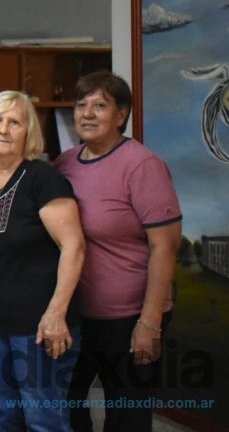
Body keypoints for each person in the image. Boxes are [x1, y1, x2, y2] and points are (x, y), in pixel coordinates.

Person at [55, 71, 182, 432]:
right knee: (66, 406)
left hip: (130, 318)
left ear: (121, 115)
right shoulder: (64, 164)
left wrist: (149, 323)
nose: (88, 114)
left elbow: (166, 247)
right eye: (81, 105)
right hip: (78, 317)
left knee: (127, 417)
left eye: (100, 105)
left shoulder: (142, 165)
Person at [0, 90, 85, 431]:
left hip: (40, 327)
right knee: (2, 415)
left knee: (43, 419)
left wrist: (56, 313)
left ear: (29, 132)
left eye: (15, 122)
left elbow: (74, 247)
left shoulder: (43, 179)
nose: (3, 129)